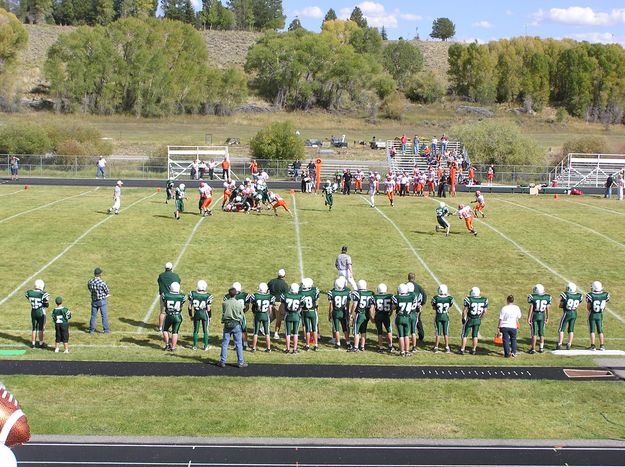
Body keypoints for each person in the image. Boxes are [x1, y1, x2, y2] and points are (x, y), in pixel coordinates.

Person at [218, 287, 247, 368]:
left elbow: (224, 313)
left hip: (227, 324)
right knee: (238, 344)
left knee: (225, 343)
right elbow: (241, 315)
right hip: (236, 324)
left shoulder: (225, 303)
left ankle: (222, 361)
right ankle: (240, 362)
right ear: (236, 294)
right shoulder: (239, 304)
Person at [225, 282, 253, 350]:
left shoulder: (228, 296)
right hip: (241, 315)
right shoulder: (244, 295)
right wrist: (243, 312)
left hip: (233, 316)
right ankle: (245, 344)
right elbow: (247, 306)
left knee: (234, 330)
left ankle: (235, 344)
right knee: (243, 329)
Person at [460, 287, 488, 355]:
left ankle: (462, 349)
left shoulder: (469, 299)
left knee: (464, 335)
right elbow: (485, 311)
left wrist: (463, 318)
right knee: (475, 335)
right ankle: (474, 349)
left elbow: (465, 310)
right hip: (477, 319)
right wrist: (480, 318)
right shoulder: (484, 300)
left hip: (470, 319)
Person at [188, 280, 213, 351]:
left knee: (195, 330)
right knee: (205, 330)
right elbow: (208, 308)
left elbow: (189, 306)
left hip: (196, 313)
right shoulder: (208, 296)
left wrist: (190, 315)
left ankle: (194, 346)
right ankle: (205, 346)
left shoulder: (192, 294)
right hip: (204, 313)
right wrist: (210, 316)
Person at [350, 280, 374, 352]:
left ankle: (356, 347)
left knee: (356, 331)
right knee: (363, 331)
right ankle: (362, 346)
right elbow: (372, 306)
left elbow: (355, 305)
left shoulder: (357, 293)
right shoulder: (370, 293)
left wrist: (351, 313)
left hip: (359, 314)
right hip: (366, 315)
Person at [556, 282, 582, 350]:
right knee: (571, 329)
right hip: (574, 313)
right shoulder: (579, 295)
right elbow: (578, 304)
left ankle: (559, 344)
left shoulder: (565, 294)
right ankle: (569, 344)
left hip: (567, 313)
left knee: (561, 329)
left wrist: (563, 305)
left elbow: (561, 305)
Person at [328, 277, 351, 350]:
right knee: (345, 328)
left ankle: (338, 343)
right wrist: (347, 313)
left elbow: (331, 305)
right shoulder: (347, 291)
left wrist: (329, 314)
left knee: (336, 329)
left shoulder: (332, 292)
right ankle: (348, 342)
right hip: (343, 311)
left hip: (335, 312)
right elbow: (347, 304)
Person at [527, 284, 551, 354]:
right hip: (542, 315)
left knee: (534, 333)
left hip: (535, 315)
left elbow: (531, 308)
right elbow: (547, 308)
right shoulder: (547, 297)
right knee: (541, 332)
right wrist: (547, 317)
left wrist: (528, 318)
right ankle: (541, 348)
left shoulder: (532, 297)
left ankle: (533, 349)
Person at [25, 279, 49, 349]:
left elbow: (27, 296)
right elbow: (46, 304)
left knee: (34, 328)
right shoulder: (43, 294)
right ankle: (41, 343)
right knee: (41, 328)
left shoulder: (29, 293)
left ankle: (33, 344)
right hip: (40, 312)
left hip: (33, 311)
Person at [251, 283, 275, 352]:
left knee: (255, 332)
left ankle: (254, 348)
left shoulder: (255, 296)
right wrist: (269, 315)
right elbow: (270, 309)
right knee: (267, 332)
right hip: (265, 315)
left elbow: (253, 306)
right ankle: (268, 348)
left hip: (258, 315)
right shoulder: (270, 297)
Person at [157, 262, 181, 333]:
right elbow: (178, 283)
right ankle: (174, 328)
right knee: (174, 312)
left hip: (164, 296)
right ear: (171, 268)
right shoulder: (175, 276)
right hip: (174, 296)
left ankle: (161, 327)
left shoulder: (161, 275)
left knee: (162, 312)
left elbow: (159, 282)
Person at [161, 282, 185, 351]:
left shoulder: (165, 295)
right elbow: (181, 304)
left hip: (169, 315)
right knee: (175, 332)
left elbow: (165, 303)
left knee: (165, 330)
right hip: (178, 316)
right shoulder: (182, 296)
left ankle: (167, 345)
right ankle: (173, 347)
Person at [586, 281, 609, 351]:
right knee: (600, 330)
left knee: (592, 330)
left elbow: (588, 307)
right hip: (600, 314)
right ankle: (602, 345)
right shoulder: (605, 295)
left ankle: (593, 345)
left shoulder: (590, 295)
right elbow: (604, 305)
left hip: (592, 314)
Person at [392, 284, 413, 357]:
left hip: (400, 317)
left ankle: (402, 352)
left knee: (401, 336)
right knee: (406, 335)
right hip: (407, 317)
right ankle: (407, 351)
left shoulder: (397, 297)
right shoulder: (411, 296)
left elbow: (394, 307)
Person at [431, 284, 453, 353]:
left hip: (438, 316)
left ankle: (436, 347)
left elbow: (434, 307)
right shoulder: (450, 298)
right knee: (445, 332)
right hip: (445, 316)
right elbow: (450, 305)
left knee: (438, 332)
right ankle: (447, 347)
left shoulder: (436, 298)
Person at [87, 267, 110, 333]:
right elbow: (107, 291)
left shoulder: (90, 281)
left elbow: (89, 288)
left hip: (94, 301)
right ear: (100, 274)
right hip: (102, 301)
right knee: (104, 316)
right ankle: (106, 330)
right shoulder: (102, 282)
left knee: (93, 316)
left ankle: (91, 330)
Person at [281, 283, 302, 354]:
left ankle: (287, 349)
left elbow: (283, 306)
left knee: (288, 333)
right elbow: (301, 306)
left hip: (288, 315)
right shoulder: (300, 296)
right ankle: (295, 349)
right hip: (296, 315)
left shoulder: (286, 295)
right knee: (295, 333)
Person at [300, 278, 320, 351]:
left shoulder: (301, 292)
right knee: (314, 328)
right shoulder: (314, 291)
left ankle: (307, 345)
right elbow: (317, 300)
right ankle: (316, 345)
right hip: (312, 311)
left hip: (305, 312)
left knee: (307, 329)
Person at [268, 269, 288, 339]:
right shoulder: (284, 284)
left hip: (271, 301)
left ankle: (263, 328)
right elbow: (286, 295)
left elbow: (267, 289)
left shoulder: (272, 281)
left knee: (273, 316)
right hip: (278, 303)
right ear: (284, 275)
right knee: (279, 319)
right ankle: (276, 333)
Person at [407, 272, 427, 342]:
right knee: (418, 321)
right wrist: (421, 304)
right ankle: (421, 335)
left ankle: (402, 335)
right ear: (414, 278)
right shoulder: (419, 287)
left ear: (408, 278)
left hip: (407, 308)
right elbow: (424, 296)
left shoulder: (405, 286)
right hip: (416, 308)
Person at [373, 283, 393, 352]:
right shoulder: (390, 296)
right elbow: (392, 306)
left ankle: (381, 347)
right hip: (386, 315)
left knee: (379, 332)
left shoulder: (375, 297)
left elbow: (373, 307)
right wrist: (391, 312)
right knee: (389, 331)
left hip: (378, 315)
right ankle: (390, 346)